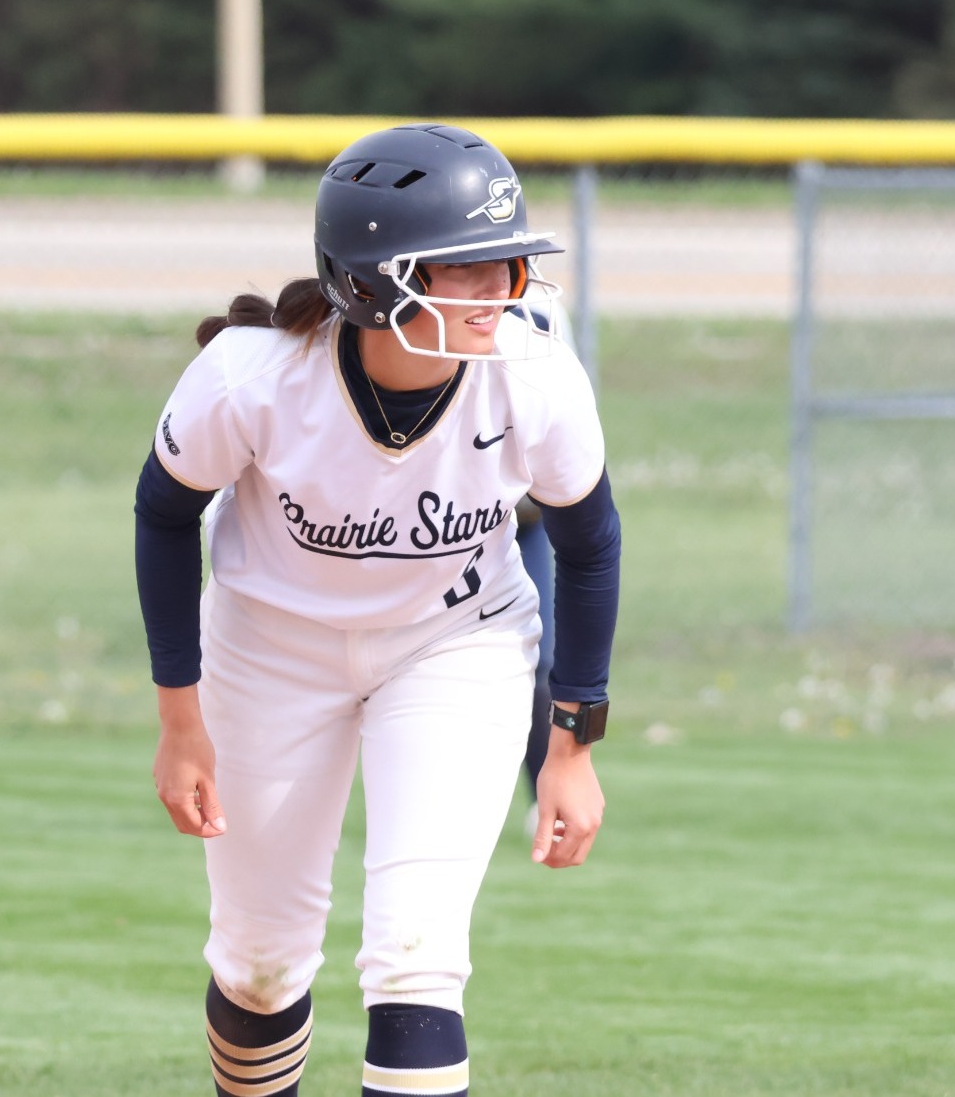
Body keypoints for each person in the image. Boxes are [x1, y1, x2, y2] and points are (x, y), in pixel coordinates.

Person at [133, 122, 621, 1097]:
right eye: (465, 267)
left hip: (456, 645)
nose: (501, 287)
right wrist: (178, 722)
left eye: (505, 261)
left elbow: (588, 542)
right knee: (258, 962)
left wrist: (571, 746)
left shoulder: (532, 374)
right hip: (268, 651)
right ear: (367, 282)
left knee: (417, 958)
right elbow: (162, 513)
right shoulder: (255, 376)